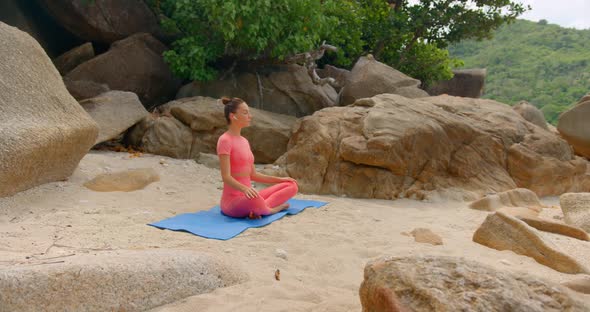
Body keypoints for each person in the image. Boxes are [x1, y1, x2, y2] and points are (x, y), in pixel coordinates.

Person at [216, 97, 298, 218]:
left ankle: (258, 209)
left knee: (291, 186)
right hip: (233, 202)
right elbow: (226, 177)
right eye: (245, 112)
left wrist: (281, 179)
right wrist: (244, 189)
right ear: (233, 116)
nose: (250, 116)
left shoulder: (244, 141)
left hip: (250, 195)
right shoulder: (224, 140)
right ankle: (271, 210)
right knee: (255, 199)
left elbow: (253, 175)